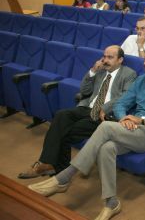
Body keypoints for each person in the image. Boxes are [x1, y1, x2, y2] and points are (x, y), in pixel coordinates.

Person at [28, 44, 145, 220]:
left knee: (105, 126)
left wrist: (142, 120)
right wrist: (124, 118)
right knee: (106, 148)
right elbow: (120, 104)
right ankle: (111, 202)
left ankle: (65, 177)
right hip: (131, 129)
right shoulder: (141, 81)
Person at [18, 46, 136, 179]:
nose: (105, 60)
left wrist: (105, 107)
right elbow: (84, 91)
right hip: (86, 108)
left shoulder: (129, 74)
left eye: (110, 57)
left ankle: (52, 166)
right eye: (104, 56)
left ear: (120, 60)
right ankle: (47, 163)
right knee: (61, 115)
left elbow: (126, 96)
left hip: (104, 115)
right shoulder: (101, 71)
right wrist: (92, 71)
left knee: (66, 131)